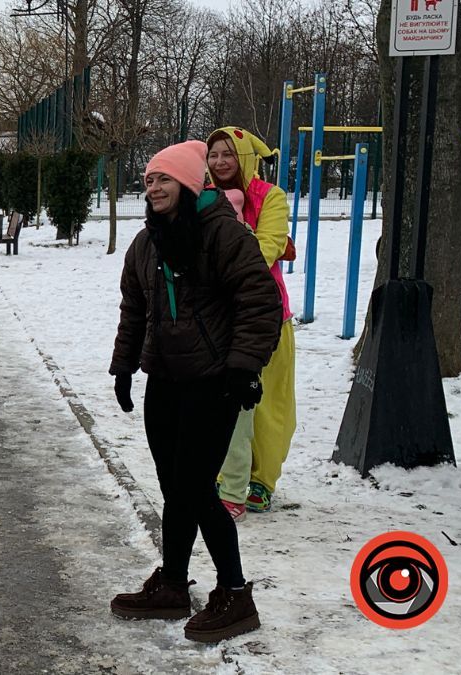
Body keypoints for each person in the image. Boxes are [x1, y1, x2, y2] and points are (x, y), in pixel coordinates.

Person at [108, 140, 281, 642]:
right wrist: (124, 368)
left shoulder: (223, 234)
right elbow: (134, 309)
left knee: (196, 489)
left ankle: (235, 595)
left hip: (214, 381)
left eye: (163, 179)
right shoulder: (147, 242)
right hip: (164, 379)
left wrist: (244, 368)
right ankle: (174, 584)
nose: (154, 187)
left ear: (188, 183)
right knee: (174, 489)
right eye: (148, 180)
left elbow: (259, 302)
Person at [206, 127, 297, 516]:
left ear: (245, 157)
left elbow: (267, 248)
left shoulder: (270, 197)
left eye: (229, 154)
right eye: (214, 154)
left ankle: (262, 479)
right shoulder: (203, 194)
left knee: (268, 404)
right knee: (221, 401)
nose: (220, 162)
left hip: (265, 315)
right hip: (216, 314)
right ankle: (225, 475)